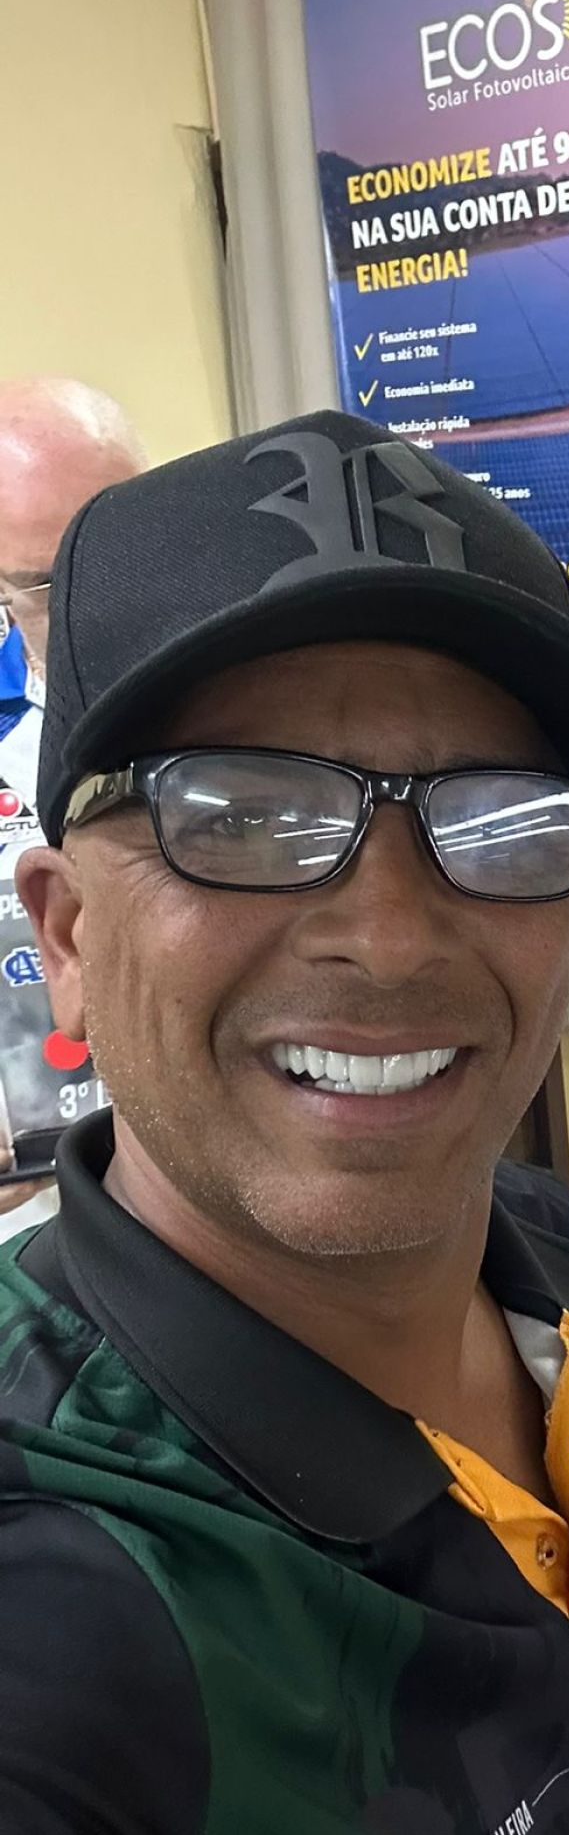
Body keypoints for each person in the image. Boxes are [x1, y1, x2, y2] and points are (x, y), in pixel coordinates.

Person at [3, 410, 569, 1835]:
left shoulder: (555, 1262)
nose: (391, 936)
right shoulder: (65, 1616)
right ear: (67, 935)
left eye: (500, 822)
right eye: (244, 815)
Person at [0, 378, 146, 1224]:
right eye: (43, 585)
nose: (89, 607)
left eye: (118, 560)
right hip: (32, 1213)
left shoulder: (249, 693)